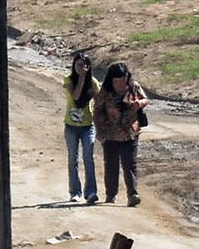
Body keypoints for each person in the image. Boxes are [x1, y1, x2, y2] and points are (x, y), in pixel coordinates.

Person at [94, 61, 148, 206]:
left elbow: (145, 99)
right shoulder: (105, 91)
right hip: (110, 133)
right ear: (111, 80)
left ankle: (132, 193)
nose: (120, 85)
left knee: (130, 163)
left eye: (122, 81)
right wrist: (99, 131)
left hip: (130, 132)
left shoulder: (133, 86)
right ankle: (111, 195)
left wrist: (140, 104)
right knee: (111, 165)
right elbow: (97, 110)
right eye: (116, 81)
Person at [63, 52, 98, 204]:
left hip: (87, 126)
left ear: (88, 67)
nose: (80, 68)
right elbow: (76, 96)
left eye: (83, 65)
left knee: (89, 158)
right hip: (71, 126)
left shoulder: (94, 82)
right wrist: (82, 79)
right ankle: (75, 192)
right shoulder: (68, 80)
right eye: (77, 65)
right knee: (73, 159)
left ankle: (91, 192)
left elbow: (99, 102)